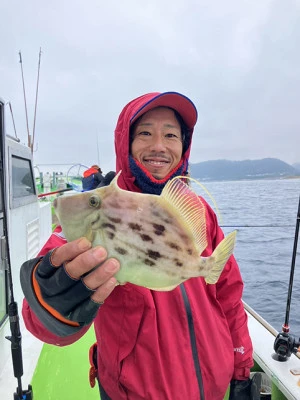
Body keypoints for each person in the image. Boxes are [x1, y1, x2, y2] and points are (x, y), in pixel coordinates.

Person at [20, 91, 254, 400]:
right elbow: (41, 321)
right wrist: (49, 303)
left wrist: (241, 371)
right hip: (135, 393)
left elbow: (228, 297)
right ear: (125, 143)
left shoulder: (200, 214)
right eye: (145, 133)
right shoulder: (100, 211)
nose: (159, 145)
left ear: (183, 147)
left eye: (170, 135)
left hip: (212, 388)